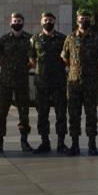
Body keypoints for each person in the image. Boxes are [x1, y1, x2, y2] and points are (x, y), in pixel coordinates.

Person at [61, 10, 98, 155]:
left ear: (90, 21)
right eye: (82, 18)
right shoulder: (70, 38)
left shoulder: (97, 38)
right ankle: (75, 145)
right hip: (74, 82)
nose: (84, 21)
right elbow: (64, 57)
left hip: (91, 82)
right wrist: (74, 68)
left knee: (91, 114)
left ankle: (92, 144)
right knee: (74, 114)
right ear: (77, 20)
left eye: (87, 19)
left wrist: (94, 69)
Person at [0, 11, 34, 153]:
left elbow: (34, 57)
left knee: (24, 112)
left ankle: (24, 141)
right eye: (15, 21)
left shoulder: (30, 39)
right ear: (10, 22)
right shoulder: (4, 39)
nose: (17, 24)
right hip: (6, 81)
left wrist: (25, 67)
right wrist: (6, 66)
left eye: (19, 21)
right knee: (2, 112)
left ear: (23, 23)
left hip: (22, 81)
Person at [32, 11, 68, 154]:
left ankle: (61, 142)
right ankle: (44, 142)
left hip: (58, 81)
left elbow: (66, 58)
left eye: (51, 20)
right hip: (41, 82)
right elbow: (32, 58)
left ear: (55, 22)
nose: (48, 22)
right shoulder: (35, 39)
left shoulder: (62, 39)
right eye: (46, 20)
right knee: (42, 113)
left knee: (61, 113)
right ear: (41, 22)